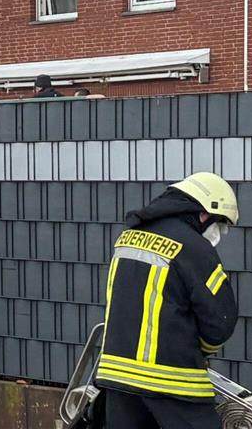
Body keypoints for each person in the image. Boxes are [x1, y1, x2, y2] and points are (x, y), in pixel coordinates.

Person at [96, 172, 239, 429]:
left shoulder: (127, 237)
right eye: (220, 224)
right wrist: (202, 348)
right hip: (171, 379)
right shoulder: (194, 247)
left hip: (116, 376)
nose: (220, 233)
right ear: (204, 213)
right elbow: (219, 322)